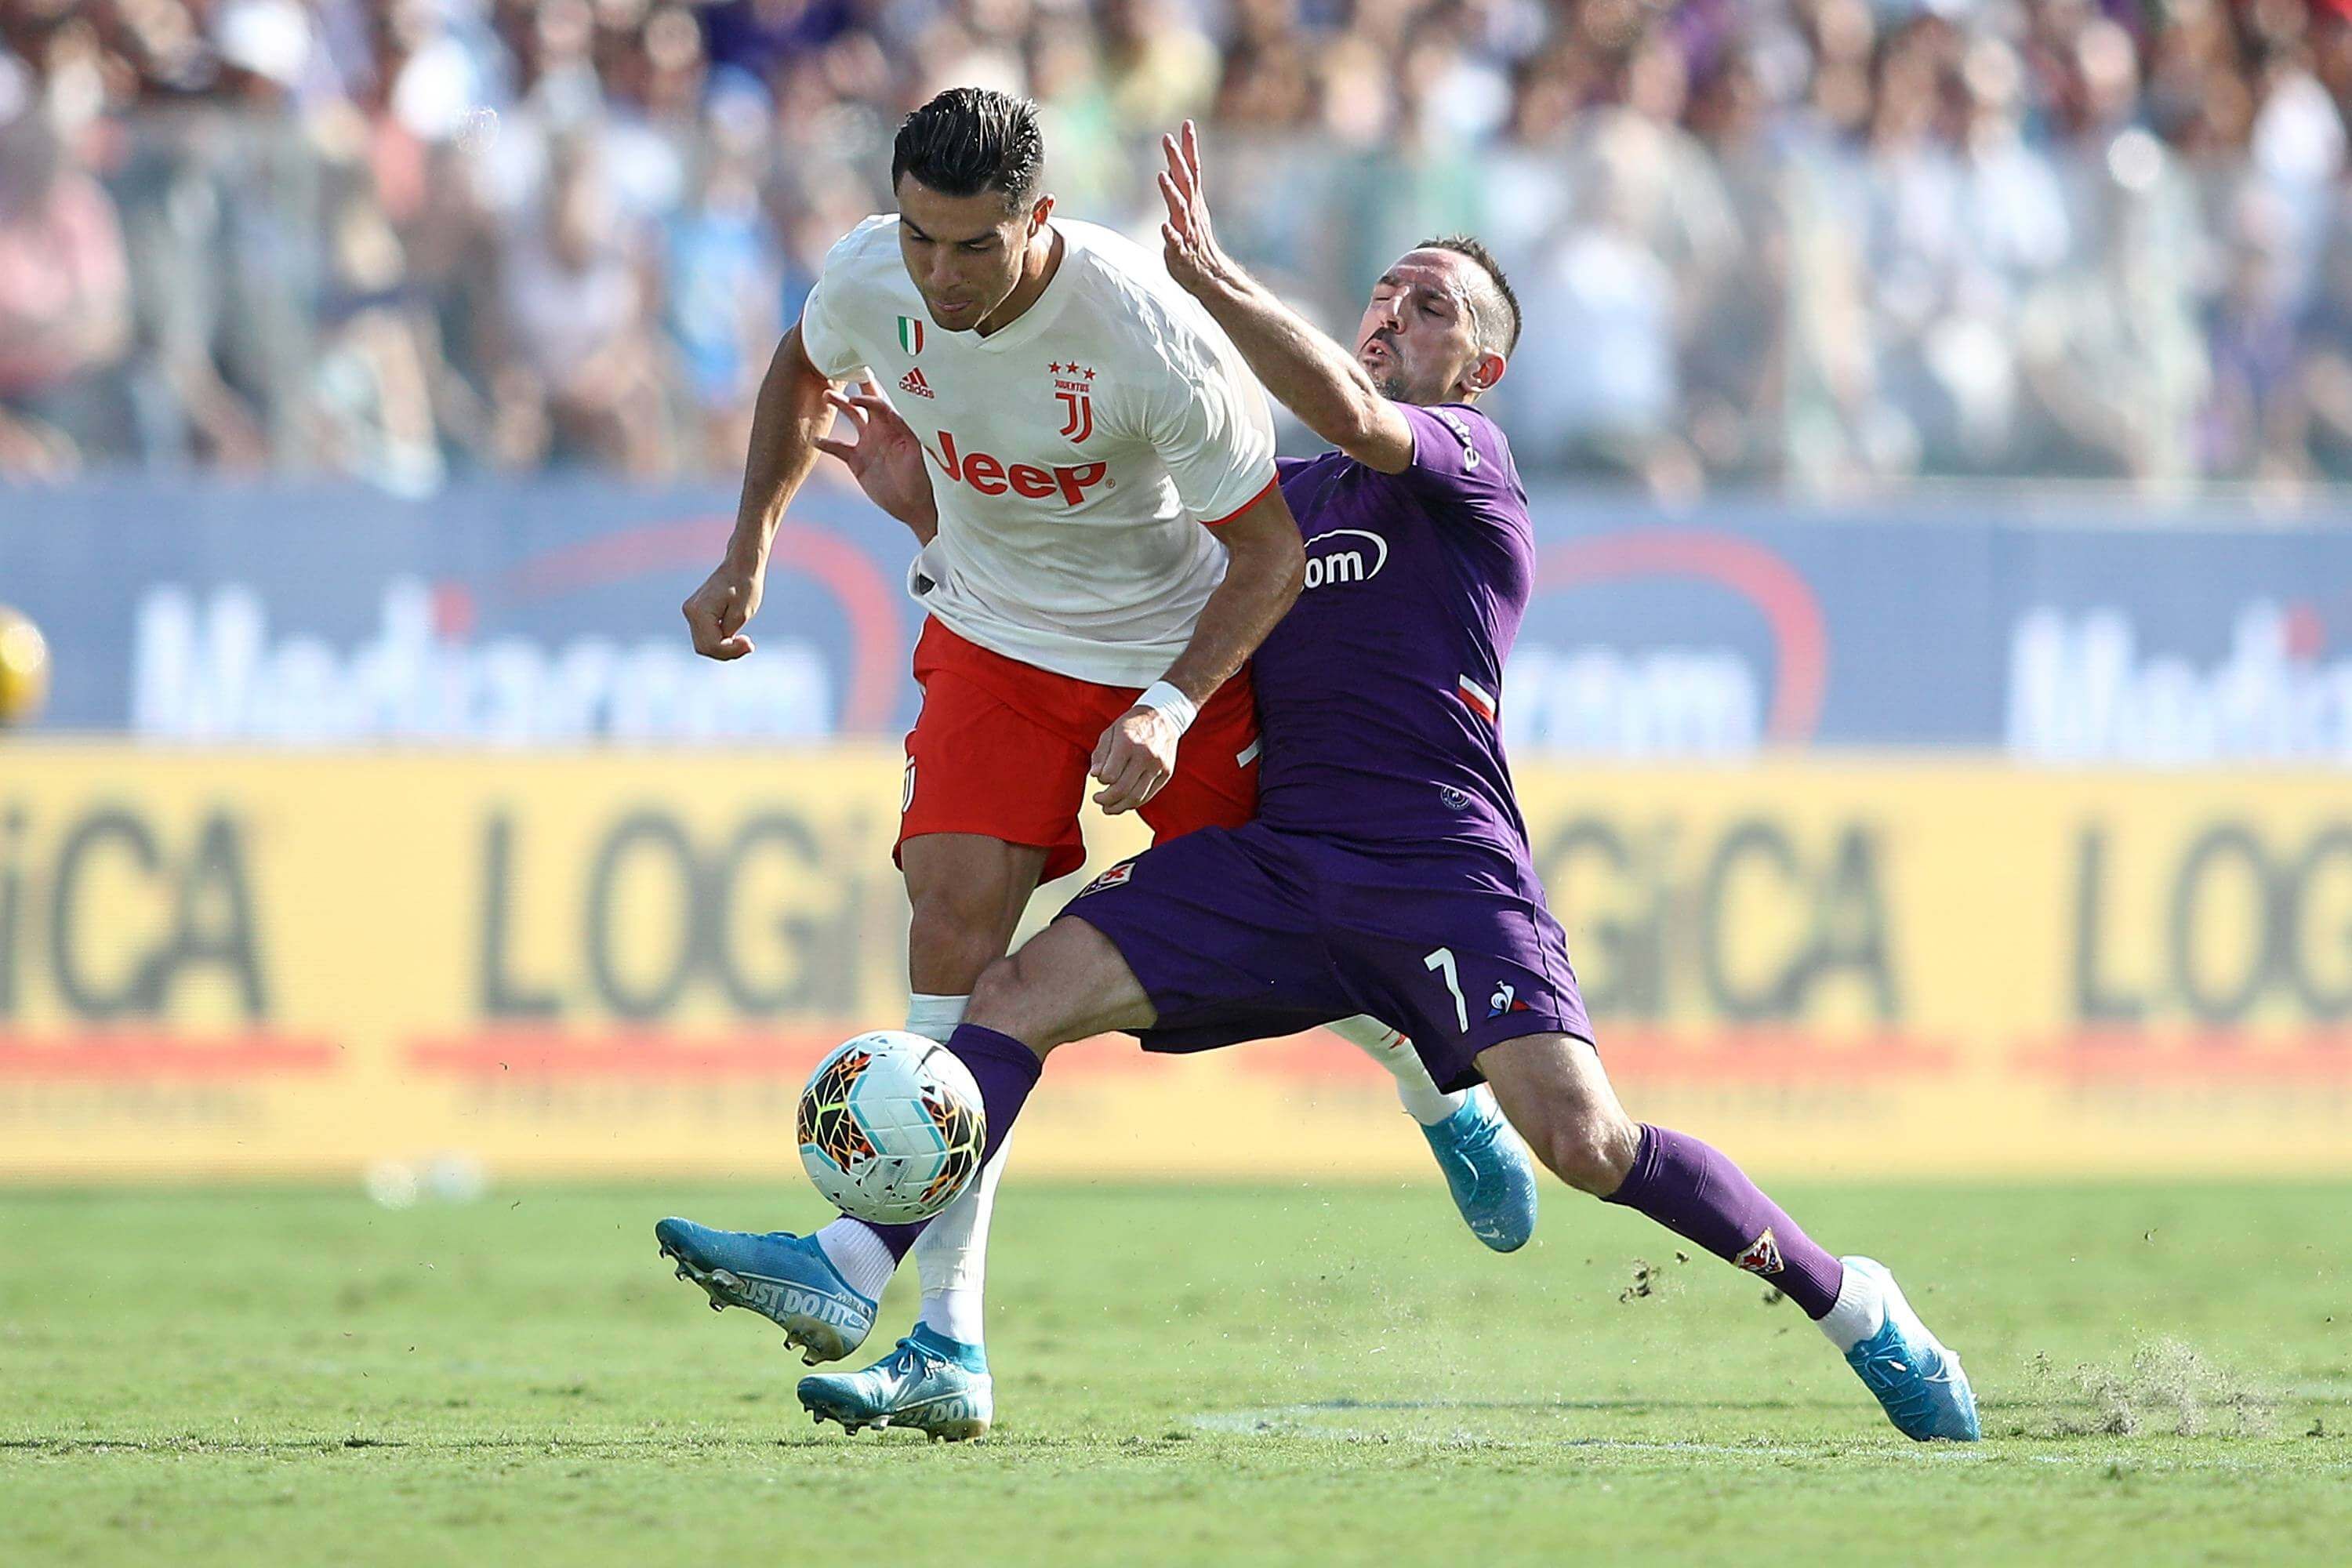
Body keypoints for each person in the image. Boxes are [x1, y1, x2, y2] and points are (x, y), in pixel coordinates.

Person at [677, 122, 1980, 1445]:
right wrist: (930, 508)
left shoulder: (1472, 473)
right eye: (1386, 294)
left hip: (1440, 869)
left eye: (1435, 308)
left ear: (1486, 366)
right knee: (1008, 996)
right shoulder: (1277, 501)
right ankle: (863, 1272)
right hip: (1279, 865)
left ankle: (1854, 1302)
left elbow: (1358, 418)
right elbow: (1106, 570)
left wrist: (1212, 280)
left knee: (1587, 1145)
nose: (1396, 316)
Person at [666, 90, 1539, 1437]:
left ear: (1041, 221)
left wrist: (1173, 708)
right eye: (920, 241)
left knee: (1281, 914)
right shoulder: (869, 271)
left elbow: (1269, 555)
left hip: (1170, 653)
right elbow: (802, 364)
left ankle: (1435, 1084)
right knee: (956, 936)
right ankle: (937, 1342)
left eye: (973, 248)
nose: (940, 277)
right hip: (992, 637)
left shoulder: (1149, 338)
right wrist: (751, 552)